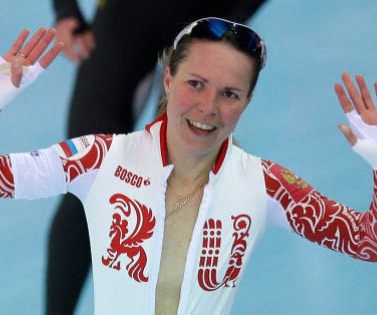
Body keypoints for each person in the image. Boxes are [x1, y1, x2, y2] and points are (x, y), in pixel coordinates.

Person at [0, 18, 377, 314]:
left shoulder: (266, 186)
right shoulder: (99, 160)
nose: (208, 107)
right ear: (167, 79)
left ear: (246, 103)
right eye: (196, 83)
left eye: (230, 94)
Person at [50, 1, 268, 312]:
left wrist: (231, 22)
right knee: (84, 176)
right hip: (126, 19)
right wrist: (66, 11)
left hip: (204, 23)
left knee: (175, 188)